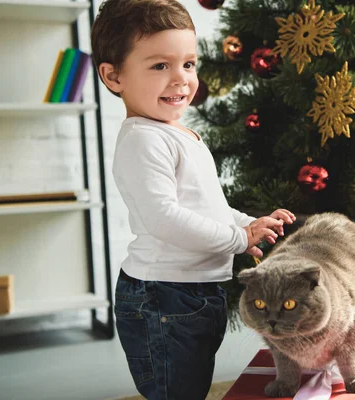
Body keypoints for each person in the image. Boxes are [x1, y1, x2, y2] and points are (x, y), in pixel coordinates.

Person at [90, 1, 295, 398]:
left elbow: (206, 207)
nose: (181, 79)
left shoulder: (176, 133)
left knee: (193, 384)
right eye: (159, 66)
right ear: (114, 76)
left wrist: (245, 225)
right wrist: (239, 239)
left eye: (188, 64)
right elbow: (165, 218)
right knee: (177, 390)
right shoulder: (143, 140)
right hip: (163, 297)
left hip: (194, 292)